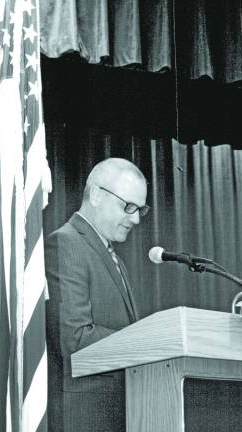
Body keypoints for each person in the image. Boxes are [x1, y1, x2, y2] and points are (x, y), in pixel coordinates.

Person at [45, 158, 149, 432]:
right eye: (128, 206)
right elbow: (75, 337)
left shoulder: (111, 255)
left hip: (115, 413)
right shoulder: (66, 243)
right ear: (95, 195)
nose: (136, 219)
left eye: (140, 209)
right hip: (85, 416)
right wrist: (148, 342)